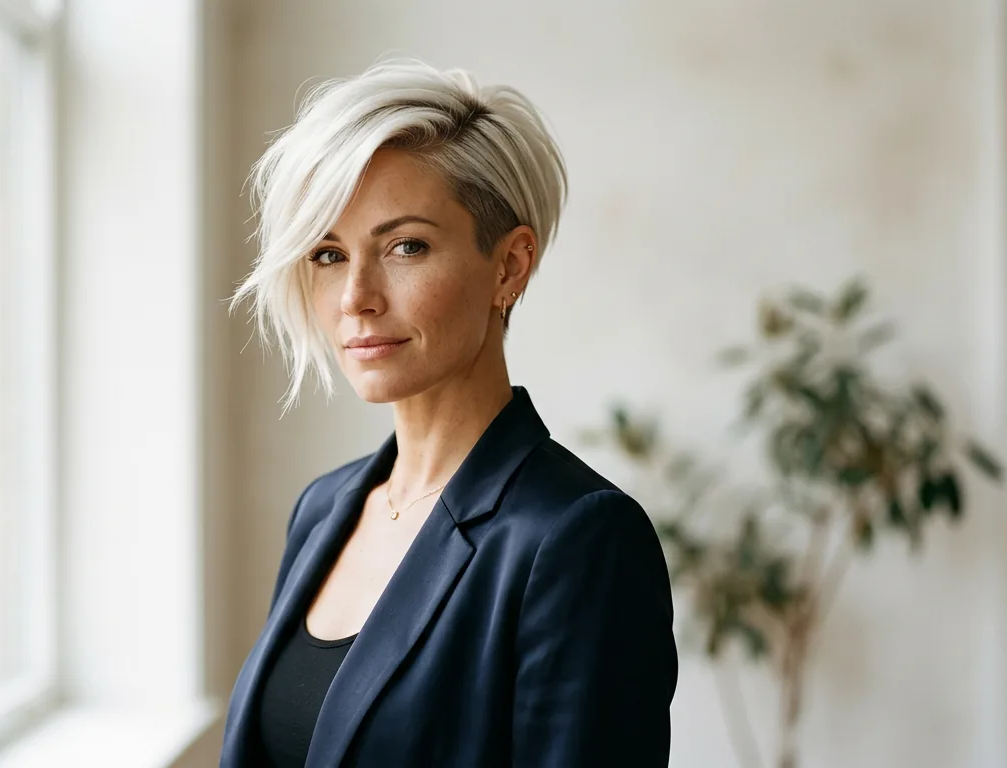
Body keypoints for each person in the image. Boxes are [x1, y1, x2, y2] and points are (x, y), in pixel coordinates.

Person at [220, 58, 676, 767]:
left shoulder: (576, 541)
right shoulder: (323, 508)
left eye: (405, 246)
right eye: (329, 254)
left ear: (510, 264)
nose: (356, 298)